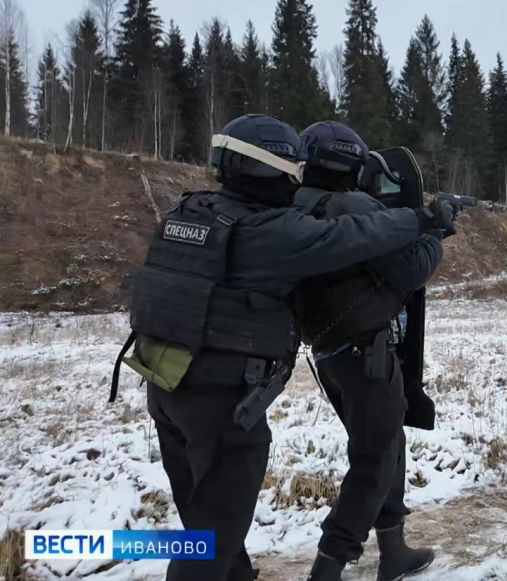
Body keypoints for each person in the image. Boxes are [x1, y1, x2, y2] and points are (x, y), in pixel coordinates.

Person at [113, 114, 456, 581]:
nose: (296, 182)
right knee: (210, 545)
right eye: (289, 170)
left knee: (207, 527)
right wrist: (427, 220)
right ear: (266, 170)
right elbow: (357, 237)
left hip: (165, 380)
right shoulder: (268, 232)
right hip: (221, 399)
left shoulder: (190, 210)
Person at [292, 121, 447, 581]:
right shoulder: (354, 206)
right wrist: (435, 230)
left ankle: (393, 549)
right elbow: (413, 268)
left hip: (329, 352)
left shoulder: (296, 205)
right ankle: (329, 566)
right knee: (375, 460)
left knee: (387, 442)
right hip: (366, 353)